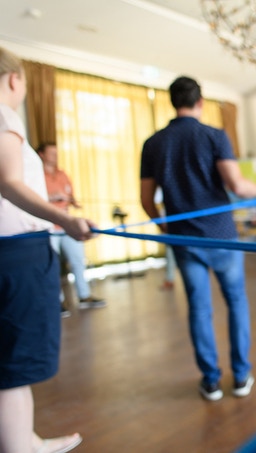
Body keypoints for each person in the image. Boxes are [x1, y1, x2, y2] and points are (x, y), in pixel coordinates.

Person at [140, 75, 256, 402]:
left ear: (174, 102)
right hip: (223, 238)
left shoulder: (153, 143)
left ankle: (211, 381)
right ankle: (241, 376)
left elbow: (146, 201)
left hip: (185, 241)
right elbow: (238, 186)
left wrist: (167, 230)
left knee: (199, 310)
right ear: (200, 102)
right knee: (236, 303)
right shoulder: (214, 135)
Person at [0, 46, 92, 453]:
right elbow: (8, 182)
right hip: (16, 254)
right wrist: (66, 219)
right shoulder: (5, 114)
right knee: (13, 369)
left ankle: (26, 439)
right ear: (14, 79)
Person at [36, 142, 106, 313]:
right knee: (52, 265)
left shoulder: (62, 174)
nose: (55, 157)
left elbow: (70, 194)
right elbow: (30, 199)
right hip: (49, 227)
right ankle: (57, 302)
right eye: (51, 153)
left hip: (68, 226)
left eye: (56, 153)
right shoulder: (36, 175)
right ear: (42, 155)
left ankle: (84, 295)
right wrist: (52, 197)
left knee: (77, 261)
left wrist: (73, 201)